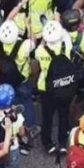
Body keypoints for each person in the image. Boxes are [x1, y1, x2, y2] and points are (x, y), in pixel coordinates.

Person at [35, 20, 75, 153]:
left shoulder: (41, 51)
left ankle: (47, 143)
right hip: (64, 84)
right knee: (63, 115)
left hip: (46, 87)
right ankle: (63, 143)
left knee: (47, 117)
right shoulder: (66, 46)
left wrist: (43, 39)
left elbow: (36, 56)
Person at [0, 20, 37, 135]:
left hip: (4, 79)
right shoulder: (24, 46)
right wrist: (29, 26)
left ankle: (10, 125)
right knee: (26, 103)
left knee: (9, 102)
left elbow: (7, 20)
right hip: (21, 80)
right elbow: (33, 41)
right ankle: (30, 127)